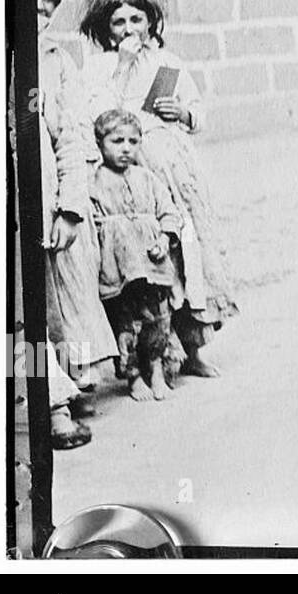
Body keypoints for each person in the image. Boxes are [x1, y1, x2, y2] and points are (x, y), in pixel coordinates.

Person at [80, 0, 236, 380]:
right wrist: (121, 66)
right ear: (106, 28)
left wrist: (182, 113)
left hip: (174, 166)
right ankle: (141, 360)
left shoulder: (169, 62)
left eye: (137, 19)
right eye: (119, 22)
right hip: (128, 173)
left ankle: (193, 347)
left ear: (151, 23)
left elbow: (199, 114)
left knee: (188, 250)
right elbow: (96, 114)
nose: (129, 28)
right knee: (147, 259)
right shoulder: (100, 67)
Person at [36, 0, 118, 408]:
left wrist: (69, 206)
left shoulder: (55, 60)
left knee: (66, 291)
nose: (41, 7)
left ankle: (69, 384)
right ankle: (42, 396)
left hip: (50, 189)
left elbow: (70, 134)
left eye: (50, 0)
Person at [89, 109, 182, 402]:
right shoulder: (94, 181)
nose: (126, 148)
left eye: (133, 141)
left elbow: (169, 212)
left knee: (158, 318)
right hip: (119, 270)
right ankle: (132, 376)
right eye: (117, 141)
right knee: (125, 323)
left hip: (152, 265)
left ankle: (155, 369)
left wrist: (165, 238)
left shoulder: (147, 178)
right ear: (100, 143)